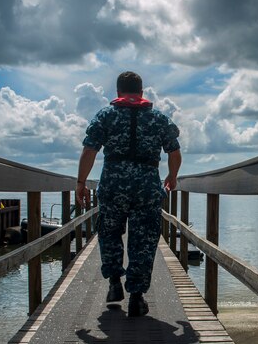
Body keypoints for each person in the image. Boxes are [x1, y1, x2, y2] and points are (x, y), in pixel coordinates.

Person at [76, 71, 182, 317]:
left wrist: (81, 182)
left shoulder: (106, 115)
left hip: (113, 185)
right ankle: (136, 297)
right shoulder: (158, 119)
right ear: (142, 93)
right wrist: (172, 176)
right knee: (143, 240)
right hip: (146, 186)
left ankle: (114, 283)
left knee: (109, 232)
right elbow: (174, 152)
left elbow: (89, 151)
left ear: (118, 92)